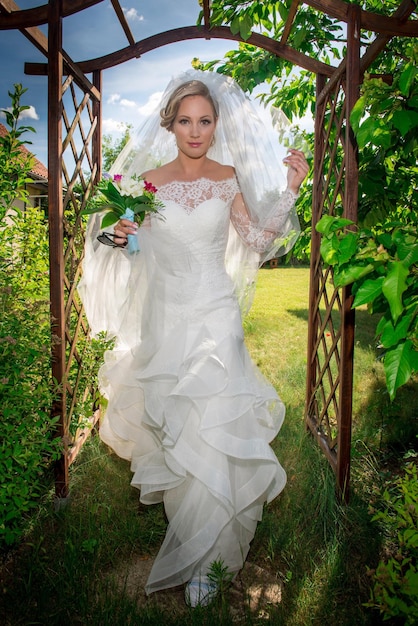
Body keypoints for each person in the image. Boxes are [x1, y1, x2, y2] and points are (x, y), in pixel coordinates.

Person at [78, 70, 308, 607]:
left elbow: (255, 240)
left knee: (214, 424)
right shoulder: (148, 181)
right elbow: (130, 248)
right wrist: (121, 235)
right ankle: (191, 532)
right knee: (178, 430)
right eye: (186, 121)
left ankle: (214, 556)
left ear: (215, 124)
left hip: (215, 315)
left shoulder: (228, 177)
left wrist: (291, 189)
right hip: (166, 318)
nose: (196, 130)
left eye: (205, 121)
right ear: (170, 124)